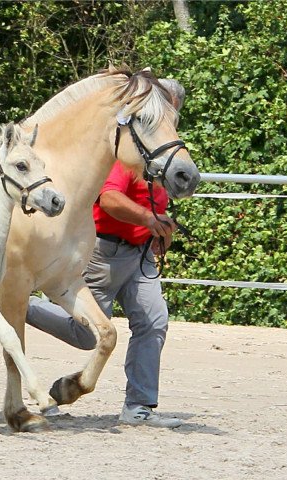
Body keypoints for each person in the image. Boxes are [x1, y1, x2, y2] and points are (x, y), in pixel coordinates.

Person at [26, 160, 182, 428]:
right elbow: (109, 199)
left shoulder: (160, 168)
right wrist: (147, 219)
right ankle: (25, 307)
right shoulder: (126, 162)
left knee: (153, 322)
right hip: (104, 256)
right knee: (86, 335)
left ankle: (138, 407)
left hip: (140, 255)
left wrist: (158, 230)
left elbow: (152, 207)